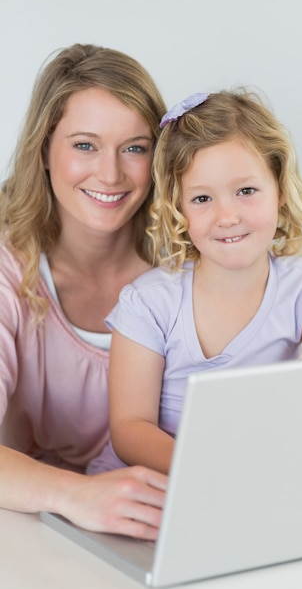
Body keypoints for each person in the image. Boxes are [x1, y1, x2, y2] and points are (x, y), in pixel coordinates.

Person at [105, 89, 302, 476]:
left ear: (278, 189)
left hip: (266, 479)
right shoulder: (148, 304)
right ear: (179, 210)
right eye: (203, 199)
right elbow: (129, 429)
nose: (227, 216)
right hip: (166, 481)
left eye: (246, 191)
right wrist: (213, 471)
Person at [0, 43, 169, 539]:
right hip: (28, 534)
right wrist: (78, 495)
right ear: (45, 151)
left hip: (157, 530)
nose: (111, 174)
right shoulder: (9, 267)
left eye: (135, 147)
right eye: (85, 145)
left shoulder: (187, 266)